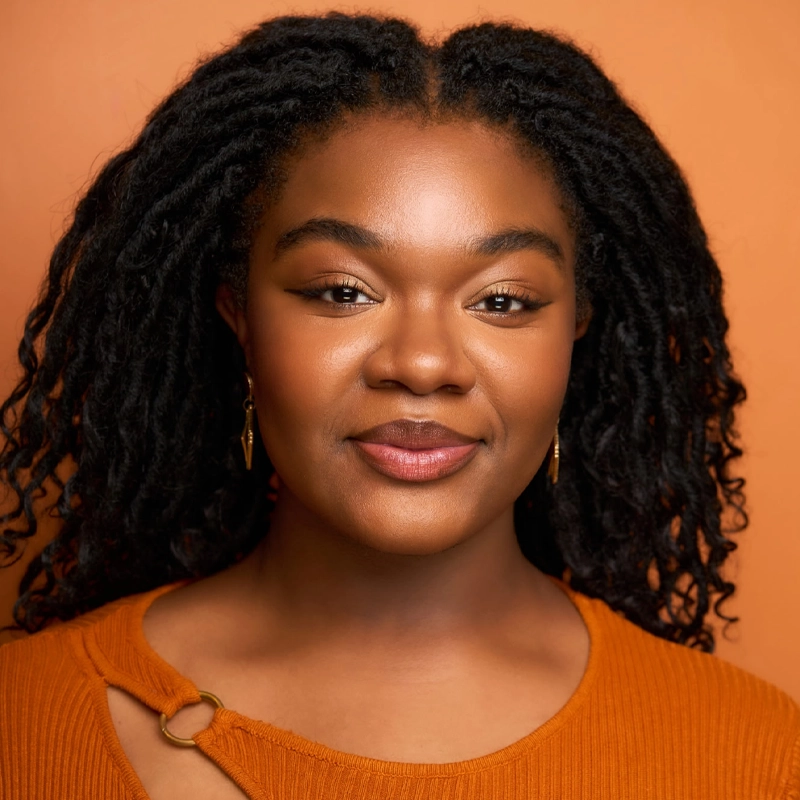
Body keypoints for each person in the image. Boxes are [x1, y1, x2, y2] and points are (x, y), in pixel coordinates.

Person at [0, 12, 797, 800]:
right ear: (239, 315)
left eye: (506, 301)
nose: (423, 364)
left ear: (577, 328)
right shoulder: (23, 722)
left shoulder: (755, 755)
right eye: (343, 291)